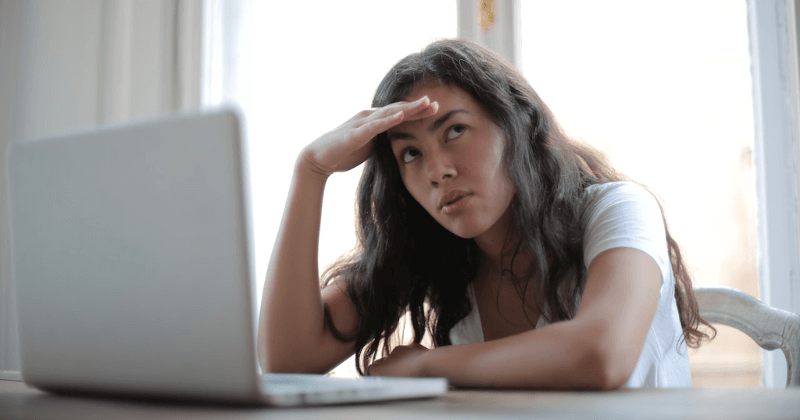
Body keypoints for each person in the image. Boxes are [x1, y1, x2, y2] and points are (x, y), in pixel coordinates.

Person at [257, 38, 714, 389]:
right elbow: (288, 360)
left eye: (455, 130)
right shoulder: (433, 249)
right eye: (410, 154)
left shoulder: (618, 209)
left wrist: (424, 365)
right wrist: (310, 170)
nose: (438, 171)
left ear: (515, 125)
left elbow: (602, 354)